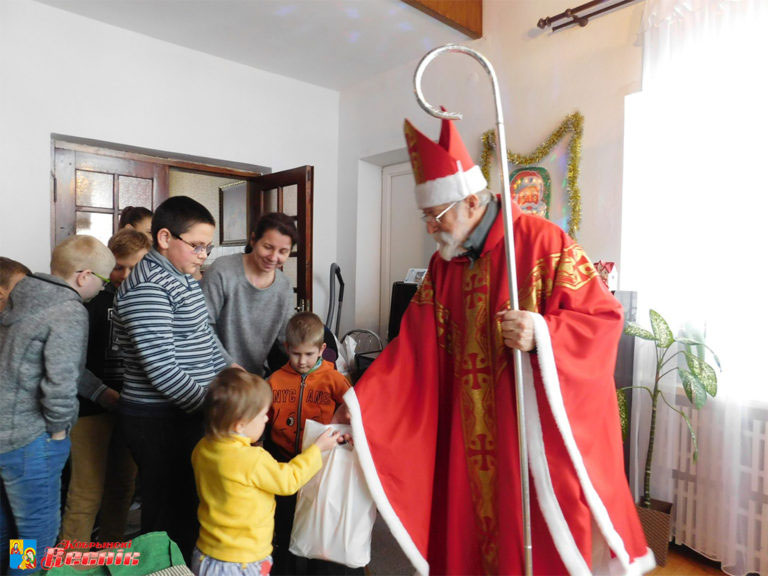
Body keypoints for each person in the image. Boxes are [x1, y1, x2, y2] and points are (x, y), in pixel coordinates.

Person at [336, 118, 654, 575]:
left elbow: (602, 319)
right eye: (426, 215)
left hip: (527, 435)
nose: (429, 226)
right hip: (466, 437)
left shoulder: (544, 243)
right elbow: (414, 348)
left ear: (470, 201)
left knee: (532, 540)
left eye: (436, 215)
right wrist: (360, 403)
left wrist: (542, 333)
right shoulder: (444, 265)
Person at [113, 196, 230, 562]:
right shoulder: (149, 287)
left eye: (207, 247)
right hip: (159, 419)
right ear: (165, 237)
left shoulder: (181, 279)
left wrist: (229, 372)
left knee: (188, 505)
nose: (203, 255)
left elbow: (203, 337)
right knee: (167, 514)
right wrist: (211, 410)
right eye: (196, 245)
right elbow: (162, 369)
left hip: (185, 413)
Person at [0, 235, 114, 575]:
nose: (100, 288)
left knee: (9, 527)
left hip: (4, 434)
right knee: (36, 537)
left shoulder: (19, 299)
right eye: (103, 280)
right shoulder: (68, 310)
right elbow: (61, 381)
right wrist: (60, 430)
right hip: (30, 441)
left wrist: (100, 393)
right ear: (84, 276)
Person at [191, 367, 342, 576]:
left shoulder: (202, 448)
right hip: (242, 561)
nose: (266, 419)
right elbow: (288, 480)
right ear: (240, 424)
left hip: (206, 554)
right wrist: (317, 450)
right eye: (262, 415)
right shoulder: (252, 460)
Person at [60, 228, 151, 544]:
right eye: (118, 266)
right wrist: (103, 394)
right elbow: (71, 363)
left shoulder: (149, 300)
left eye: (134, 267)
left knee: (123, 486)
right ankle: (70, 566)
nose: (124, 275)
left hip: (130, 408)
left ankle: (108, 553)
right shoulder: (89, 302)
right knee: (85, 491)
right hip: (89, 410)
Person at [267, 312, 352, 575]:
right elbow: (263, 418)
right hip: (284, 461)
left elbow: (354, 405)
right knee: (285, 523)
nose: (302, 361)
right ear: (287, 349)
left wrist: (346, 421)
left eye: (309, 354)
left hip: (319, 463)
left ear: (322, 350)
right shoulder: (274, 380)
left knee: (317, 520)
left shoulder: (333, 378)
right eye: (296, 354)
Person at [201, 212, 297, 376]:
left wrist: (314, 361)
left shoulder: (284, 286)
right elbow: (202, 325)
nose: (274, 257)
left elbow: (287, 338)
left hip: (254, 381)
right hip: (215, 376)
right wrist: (229, 365)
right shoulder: (223, 270)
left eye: (283, 251)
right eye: (268, 247)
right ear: (253, 240)